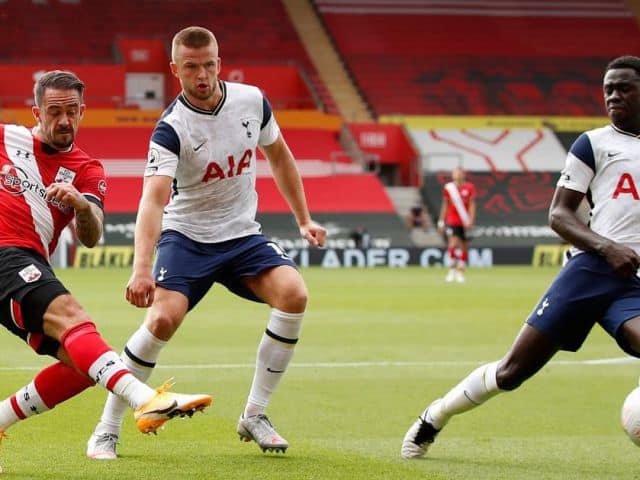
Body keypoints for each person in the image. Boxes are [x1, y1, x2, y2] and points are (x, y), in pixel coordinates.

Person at [86, 26, 327, 459]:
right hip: (188, 238)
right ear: (175, 69)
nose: (203, 74)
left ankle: (255, 414)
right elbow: (152, 201)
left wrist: (304, 219)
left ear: (220, 60)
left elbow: (280, 156)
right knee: (162, 321)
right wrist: (141, 268)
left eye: (210, 64)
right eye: (192, 67)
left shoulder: (251, 100)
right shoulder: (170, 129)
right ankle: (107, 427)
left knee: (294, 295)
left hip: (241, 235)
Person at [401, 55, 640, 459]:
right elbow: (559, 215)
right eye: (608, 89)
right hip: (589, 271)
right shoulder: (594, 144)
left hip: (630, 281)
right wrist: (606, 247)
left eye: (624, 88)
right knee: (511, 373)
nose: (613, 96)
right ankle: (435, 415)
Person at [0, 70, 212, 467]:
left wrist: (80, 205)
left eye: (72, 111)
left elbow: (93, 234)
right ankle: (146, 400)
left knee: (86, 366)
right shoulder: (6, 139)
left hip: (27, 263)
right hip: (4, 254)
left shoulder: (88, 170)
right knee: (73, 318)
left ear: (83, 111)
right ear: (36, 112)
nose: (64, 120)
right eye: (54, 111)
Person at [436, 167, 476, 283]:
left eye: (459, 173)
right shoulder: (449, 188)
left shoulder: (469, 187)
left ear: (463, 174)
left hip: (465, 221)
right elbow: (445, 205)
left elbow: (472, 205)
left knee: (464, 246)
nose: (457, 175)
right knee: (452, 244)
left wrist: (471, 220)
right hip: (452, 220)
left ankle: (461, 272)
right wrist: (441, 221)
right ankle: (451, 270)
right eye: (455, 173)